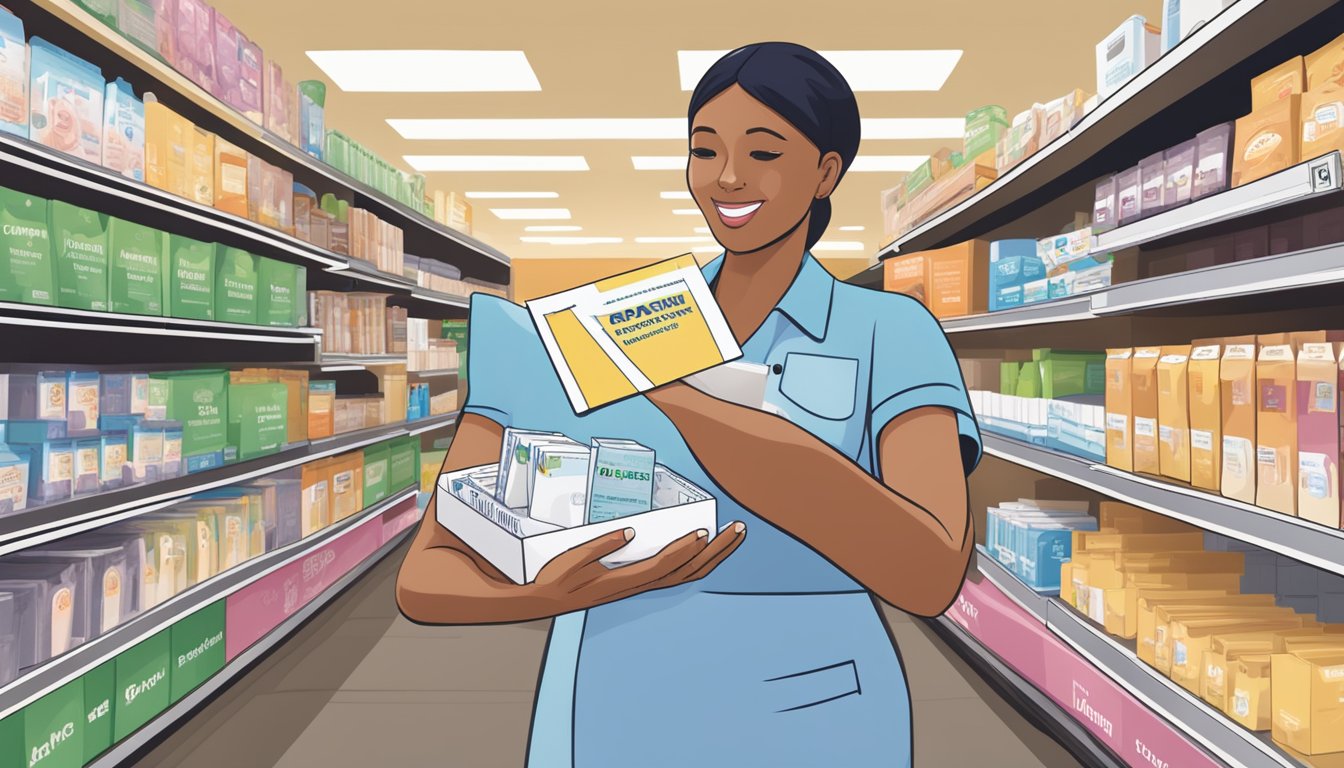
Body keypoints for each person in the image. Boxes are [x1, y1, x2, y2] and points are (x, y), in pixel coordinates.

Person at [396, 42, 982, 767]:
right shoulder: (608, 321)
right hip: (611, 699)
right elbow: (427, 574)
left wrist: (676, 395)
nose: (728, 177)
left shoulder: (890, 333)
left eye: (763, 152)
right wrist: (539, 594)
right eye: (704, 151)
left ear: (827, 170)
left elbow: (928, 573)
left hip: (815, 709)